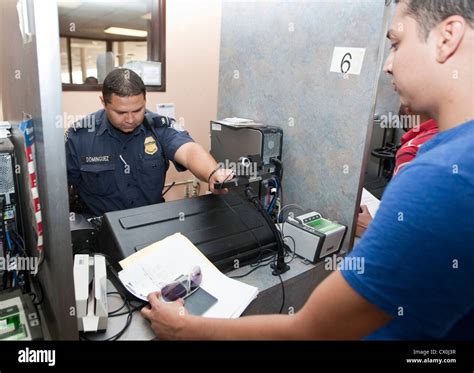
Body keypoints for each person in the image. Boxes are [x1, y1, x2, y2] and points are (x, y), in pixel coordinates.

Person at [140, 0, 474, 340]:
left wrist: (186, 328)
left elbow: (311, 330)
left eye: (396, 44)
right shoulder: (448, 159)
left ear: (447, 37)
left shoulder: (439, 177)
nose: (387, 64)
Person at [66, 68, 232, 216]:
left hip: (150, 225)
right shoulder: (79, 136)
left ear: (145, 100)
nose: (130, 119)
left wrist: (212, 173)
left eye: (138, 110)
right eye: (121, 112)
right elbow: (61, 189)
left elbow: (189, 151)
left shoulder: (159, 126)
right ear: (103, 102)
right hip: (101, 232)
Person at [356, 106, 439, 237]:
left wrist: (370, 228)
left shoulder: (412, 150)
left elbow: (406, 227)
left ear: (409, 110)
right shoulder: (460, 137)